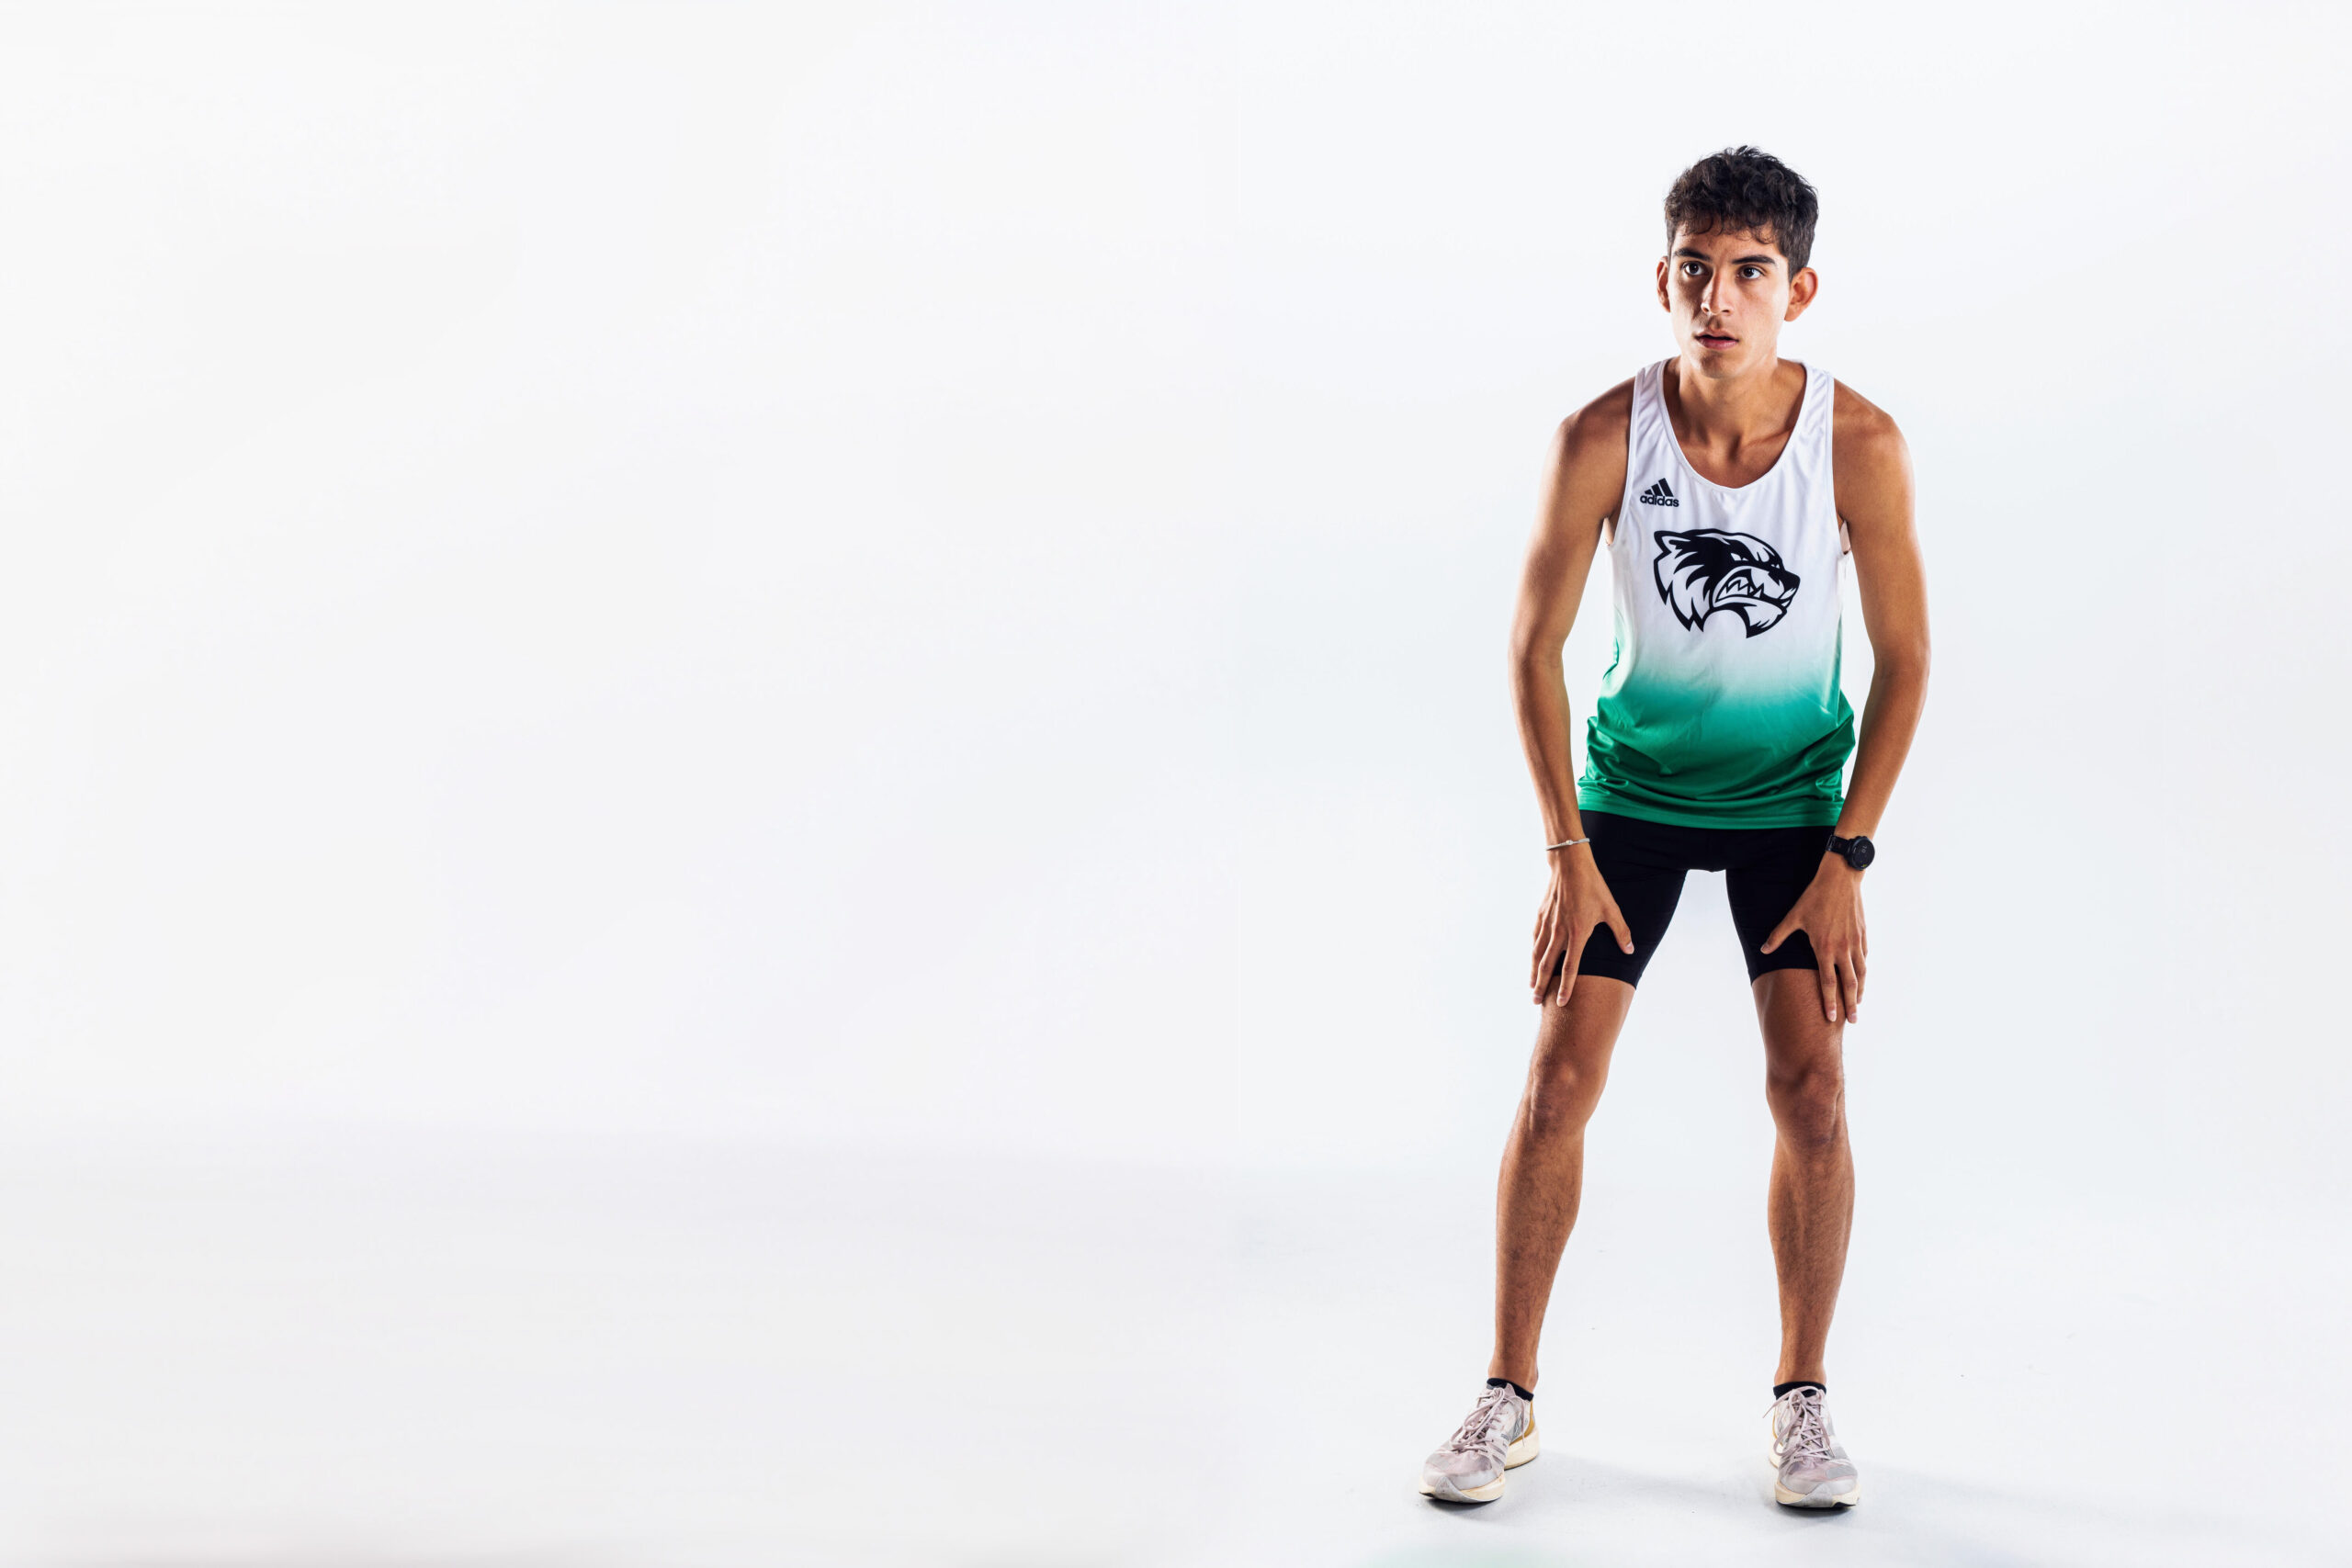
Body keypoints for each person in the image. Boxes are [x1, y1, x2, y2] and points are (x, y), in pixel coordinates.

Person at [1418, 146, 1931, 1510]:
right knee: (1557, 1087)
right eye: (1697, 268)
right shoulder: (1604, 434)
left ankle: (1803, 1401)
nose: (1721, 294)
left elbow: (1911, 660)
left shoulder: (1858, 444)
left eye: (1751, 270)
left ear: (1799, 289)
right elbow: (1532, 650)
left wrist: (1849, 860)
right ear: (1666, 277)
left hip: (1791, 815)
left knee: (1811, 1089)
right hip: (1630, 805)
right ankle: (1506, 1396)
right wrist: (1564, 850)